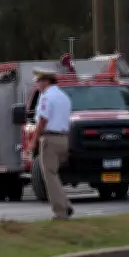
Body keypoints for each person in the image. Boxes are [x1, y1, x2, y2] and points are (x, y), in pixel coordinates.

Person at [27, 68, 74, 220]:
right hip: (63, 138)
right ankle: (65, 205)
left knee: (49, 176)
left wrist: (33, 141)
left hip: (50, 138)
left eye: (38, 81)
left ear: (46, 81)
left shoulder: (46, 97)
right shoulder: (64, 96)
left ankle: (60, 212)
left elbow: (43, 120)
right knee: (53, 174)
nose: (37, 85)